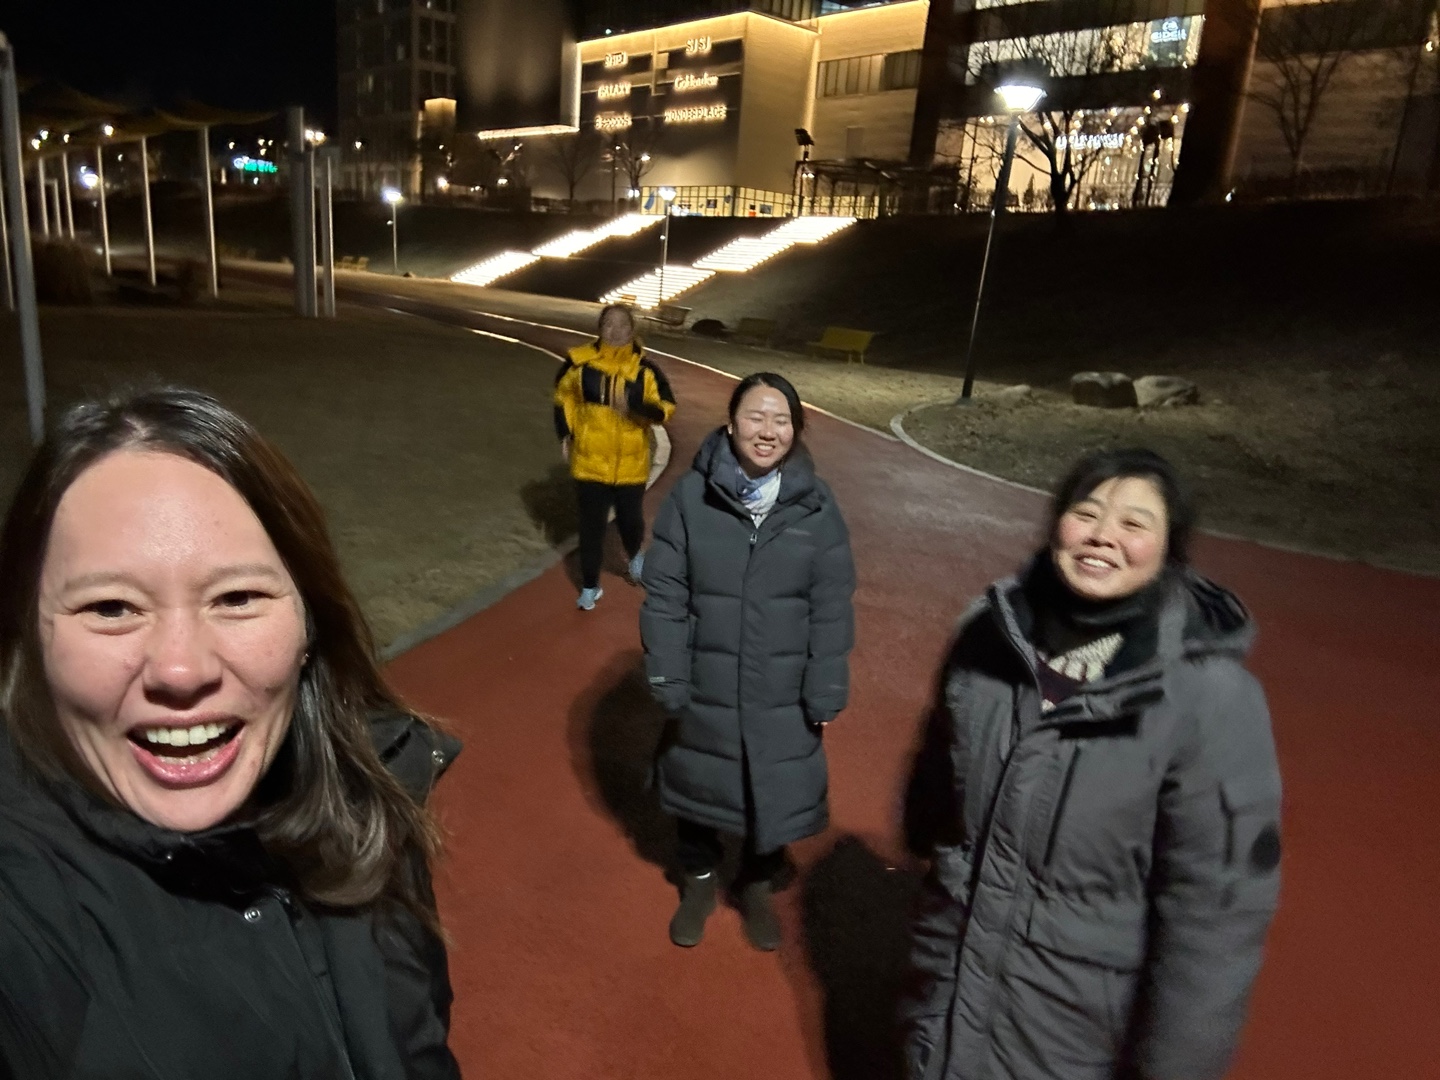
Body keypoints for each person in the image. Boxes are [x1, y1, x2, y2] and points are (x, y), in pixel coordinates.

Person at [0, 387, 463, 1079]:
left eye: (237, 597)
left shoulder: (369, 798)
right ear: (30, 642)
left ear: (310, 623)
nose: (181, 669)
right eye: (112, 607)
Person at [900, 448, 1283, 1080]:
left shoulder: (1211, 699)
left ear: (1171, 550)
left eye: (1135, 523)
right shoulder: (988, 634)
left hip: (1073, 1042)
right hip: (948, 1013)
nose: (1103, 534)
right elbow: (936, 779)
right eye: (1087, 512)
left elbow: (1213, 923)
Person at [640, 373, 856, 951]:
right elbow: (665, 593)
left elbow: (832, 602)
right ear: (731, 422)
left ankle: (757, 883)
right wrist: (667, 671)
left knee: (776, 785)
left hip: (782, 683)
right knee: (697, 778)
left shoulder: (817, 506)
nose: (768, 431)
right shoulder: (692, 497)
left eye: (781, 420)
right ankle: (698, 879)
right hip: (706, 676)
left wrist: (826, 684)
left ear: (796, 429)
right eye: (756, 417)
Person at [554, 304, 677, 610]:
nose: (616, 330)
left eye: (623, 324)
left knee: (630, 519)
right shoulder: (578, 362)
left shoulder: (646, 370)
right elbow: (564, 398)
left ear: (632, 330)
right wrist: (566, 433)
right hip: (590, 460)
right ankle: (589, 586)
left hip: (630, 463)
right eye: (609, 323)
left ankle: (635, 558)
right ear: (599, 328)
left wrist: (634, 406)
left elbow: (665, 408)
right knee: (591, 526)